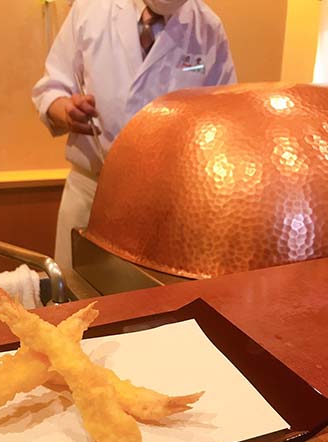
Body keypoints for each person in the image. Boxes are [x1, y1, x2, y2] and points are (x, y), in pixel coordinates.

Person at [32, 0, 237, 268]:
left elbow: (222, 116)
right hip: (91, 192)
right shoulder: (91, 8)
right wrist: (67, 111)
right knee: (77, 289)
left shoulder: (207, 28)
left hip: (168, 206)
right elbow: (51, 89)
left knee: (147, 292)